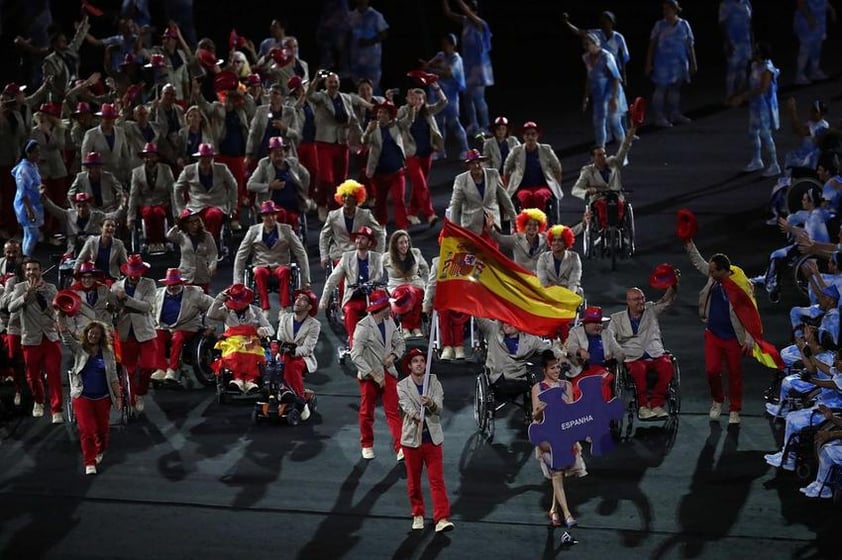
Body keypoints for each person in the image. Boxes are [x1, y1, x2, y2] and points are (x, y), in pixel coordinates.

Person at [684, 239, 753, 424]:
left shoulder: (741, 286)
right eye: (711, 270)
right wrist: (689, 243)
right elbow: (699, 262)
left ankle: (735, 409)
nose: (710, 273)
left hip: (732, 338)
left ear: (724, 270)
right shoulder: (714, 277)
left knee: (734, 374)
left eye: (714, 271)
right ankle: (717, 400)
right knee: (711, 371)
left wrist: (749, 338)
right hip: (713, 334)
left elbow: (750, 312)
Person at [397, 347, 454, 533]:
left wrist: (430, 403)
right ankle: (418, 513)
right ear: (409, 365)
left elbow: (439, 409)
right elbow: (406, 406)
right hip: (412, 441)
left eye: (422, 360)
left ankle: (442, 517)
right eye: (415, 361)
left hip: (432, 440)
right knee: (413, 481)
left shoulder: (434, 382)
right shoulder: (402, 385)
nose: (419, 364)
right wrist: (415, 415)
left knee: (436, 480)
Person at [56, 319, 120, 475]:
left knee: (103, 431)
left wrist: (118, 397)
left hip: (103, 398)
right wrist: (62, 327)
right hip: (82, 396)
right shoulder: (79, 349)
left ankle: (100, 450)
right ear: (87, 334)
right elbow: (68, 340)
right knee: (87, 430)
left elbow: (113, 377)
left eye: (96, 334)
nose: (93, 335)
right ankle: (89, 462)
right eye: (91, 332)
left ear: (101, 336)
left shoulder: (108, 354)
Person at [531, 348, 586, 528]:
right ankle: (568, 514)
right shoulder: (537, 388)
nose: (556, 371)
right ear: (544, 370)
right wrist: (544, 406)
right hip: (546, 437)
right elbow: (536, 418)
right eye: (553, 368)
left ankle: (554, 510)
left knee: (560, 473)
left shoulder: (566, 386)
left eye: (558, 367)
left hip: (564, 434)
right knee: (556, 472)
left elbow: (570, 411)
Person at [350, 288, 405, 461]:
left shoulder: (389, 322)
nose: (390, 308)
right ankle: (367, 444)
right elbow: (355, 355)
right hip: (369, 375)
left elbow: (400, 343)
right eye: (387, 305)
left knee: (393, 411)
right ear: (382, 307)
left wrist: (394, 356)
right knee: (367, 412)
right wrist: (374, 375)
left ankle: (400, 448)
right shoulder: (363, 327)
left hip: (388, 372)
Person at [609, 283, 678, 419]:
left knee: (667, 366)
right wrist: (618, 353)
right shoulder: (617, 319)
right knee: (638, 370)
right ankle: (643, 406)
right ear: (628, 301)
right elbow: (609, 337)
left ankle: (657, 404)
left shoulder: (651, 310)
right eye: (636, 299)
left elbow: (666, 300)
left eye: (642, 298)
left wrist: (674, 285)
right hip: (633, 356)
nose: (640, 302)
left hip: (654, 353)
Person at [234, 200, 311, 319]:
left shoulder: (286, 230)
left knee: (285, 272)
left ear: (276, 215)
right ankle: (265, 308)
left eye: (272, 214)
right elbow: (241, 255)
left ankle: (284, 308)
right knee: (259, 272)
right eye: (266, 215)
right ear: (262, 217)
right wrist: (238, 281)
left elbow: (301, 253)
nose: (270, 218)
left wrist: (306, 279)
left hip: (281, 265)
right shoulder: (253, 231)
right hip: (261, 265)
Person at [7, 257, 62, 422]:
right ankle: (38, 401)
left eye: (34, 269)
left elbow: (58, 310)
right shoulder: (19, 288)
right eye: (28, 269)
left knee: (53, 374)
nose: (31, 272)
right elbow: (11, 307)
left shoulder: (51, 288)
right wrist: (26, 295)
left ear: (40, 270)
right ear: (25, 272)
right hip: (30, 339)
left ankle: (56, 409)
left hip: (50, 338)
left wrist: (44, 296)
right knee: (32, 376)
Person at [319, 226, 385, 351]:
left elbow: (378, 276)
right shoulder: (347, 257)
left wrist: (370, 284)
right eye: (358, 238)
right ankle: (353, 341)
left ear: (370, 242)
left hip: (371, 297)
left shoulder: (377, 258)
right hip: (353, 298)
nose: (359, 241)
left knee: (385, 306)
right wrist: (324, 298)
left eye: (363, 238)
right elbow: (333, 279)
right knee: (350, 310)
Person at [306, 71, 361, 221]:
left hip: (342, 143)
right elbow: (309, 95)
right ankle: (322, 204)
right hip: (324, 142)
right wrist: (315, 81)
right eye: (330, 82)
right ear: (326, 84)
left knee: (340, 179)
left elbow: (354, 119)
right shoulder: (321, 97)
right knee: (326, 178)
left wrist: (361, 137)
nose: (333, 84)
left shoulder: (346, 98)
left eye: (335, 82)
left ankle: (336, 207)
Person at [150, 268, 214, 384]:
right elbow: (151, 312)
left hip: (187, 327)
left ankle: (172, 370)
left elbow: (213, 307)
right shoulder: (158, 294)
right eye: (170, 285)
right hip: (165, 327)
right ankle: (161, 368)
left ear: (181, 283)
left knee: (177, 337)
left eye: (175, 284)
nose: (172, 287)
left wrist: (210, 326)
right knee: (156, 336)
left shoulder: (194, 293)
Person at [207, 283, 274, 393]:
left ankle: (250, 380)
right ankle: (237, 379)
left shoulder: (256, 311)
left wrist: (263, 330)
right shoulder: (226, 310)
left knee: (252, 353)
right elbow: (211, 314)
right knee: (235, 352)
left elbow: (270, 329)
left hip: (251, 340)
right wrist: (221, 296)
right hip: (232, 340)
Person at [112, 254, 157, 413]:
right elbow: (114, 308)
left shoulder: (149, 284)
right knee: (129, 370)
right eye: (131, 271)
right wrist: (117, 304)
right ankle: (131, 401)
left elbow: (147, 306)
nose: (133, 274)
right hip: (125, 333)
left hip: (145, 332)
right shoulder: (116, 286)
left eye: (137, 271)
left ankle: (140, 393)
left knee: (148, 366)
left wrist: (126, 300)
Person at [442, 0, 493, 137]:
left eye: (470, 9)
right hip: (468, 66)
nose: (468, 12)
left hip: (480, 67)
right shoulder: (466, 22)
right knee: (468, 97)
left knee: (478, 97)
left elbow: (467, 12)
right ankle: (474, 124)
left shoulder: (480, 24)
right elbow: (449, 13)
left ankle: (485, 126)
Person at [397, 83, 446, 226]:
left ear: (424, 100)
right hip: (411, 155)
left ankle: (411, 212)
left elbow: (443, 102)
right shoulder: (403, 111)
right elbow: (402, 125)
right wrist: (411, 108)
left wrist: (436, 87)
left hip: (426, 153)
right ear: (409, 99)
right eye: (415, 98)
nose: (417, 101)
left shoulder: (427, 111)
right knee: (422, 185)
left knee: (420, 185)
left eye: (420, 99)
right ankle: (430, 214)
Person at [571, 128, 636, 232]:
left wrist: (630, 135)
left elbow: (624, 149)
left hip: (616, 197)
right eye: (600, 155)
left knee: (620, 206)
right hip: (598, 199)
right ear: (593, 158)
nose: (603, 157)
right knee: (600, 208)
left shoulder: (614, 163)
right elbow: (575, 189)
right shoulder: (587, 171)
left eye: (604, 154)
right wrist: (587, 191)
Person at [730, 43, 781, 177]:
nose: (753, 53)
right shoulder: (754, 65)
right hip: (754, 105)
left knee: (765, 134)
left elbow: (762, 89)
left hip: (764, 106)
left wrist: (742, 97)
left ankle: (774, 164)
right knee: (753, 132)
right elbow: (751, 83)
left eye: (756, 52)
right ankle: (757, 160)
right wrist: (738, 94)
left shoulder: (768, 68)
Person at [645, 0, 698, 128]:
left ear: (675, 10)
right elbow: (652, 45)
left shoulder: (684, 24)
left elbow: (690, 45)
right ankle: (659, 117)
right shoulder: (659, 25)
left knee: (675, 89)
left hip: (679, 63)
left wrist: (693, 62)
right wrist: (648, 63)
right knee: (661, 89)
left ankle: (674, 113)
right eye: (664, 9)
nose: (665, 12)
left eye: (668, 9)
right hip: (663, 64)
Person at [173, 142, 238, 242]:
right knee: (188, 219)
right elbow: (177, 189)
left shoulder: (222, 169)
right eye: (203, 158)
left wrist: (232, 207)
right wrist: (181, 210)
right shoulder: (188, 170)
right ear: (198, 158)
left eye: (208, 158)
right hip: (196, 206)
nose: (206, 161)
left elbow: (233, 186)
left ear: (212, 158)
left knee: (212, 215)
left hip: (217, 205)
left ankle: (209, 244)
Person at [247, 136, 313, 233]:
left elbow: (306, 176)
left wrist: (303, 191)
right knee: (281, 215)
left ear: (285, 152)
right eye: (275, 151)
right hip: (272, 206)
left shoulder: (292, 162)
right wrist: (270, 186)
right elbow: (250, 185)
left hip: (293, 205)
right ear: (270, 154)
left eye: (281, 151)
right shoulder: (264, 164)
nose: (279, 153)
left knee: (292, 218)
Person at [363, 100, 409, 230]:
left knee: (399, 200)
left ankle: (402, 228)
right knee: (380, 201)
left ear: (389, 116)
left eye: (384, 113)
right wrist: (368, 131)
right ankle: (381, 225)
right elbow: (363, 142)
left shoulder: (397, 126)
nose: (380, 115)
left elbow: (409, 120)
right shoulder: (372, 127)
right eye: (379, 112)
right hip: (379, 173)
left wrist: (411, 107)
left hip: (396, 172)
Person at [448, 149, 517, 237]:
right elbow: (455, 205)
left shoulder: (493, 174)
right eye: (473, 163)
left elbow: (505, 198)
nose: (476, 166)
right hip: (471, 226)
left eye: (478, 162)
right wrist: (454, 229)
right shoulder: (461, 180)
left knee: (492, 250)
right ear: (468, 165)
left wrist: (514, 219)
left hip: (493, 224)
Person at [478, 318, 550, 401]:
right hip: (498, 379)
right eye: (504, 321)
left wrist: (563, 355)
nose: (506, 324)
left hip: (519, 379)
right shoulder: (493, 330)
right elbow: (479, 317)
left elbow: (548, 350)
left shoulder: (531, 339)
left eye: (510, 322)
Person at [275, 289, 321, 419]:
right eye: (297, 298)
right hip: (284, 355)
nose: (298, 301)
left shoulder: (314, 325)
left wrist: (293, 350)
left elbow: (307, 348)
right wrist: (285, 349)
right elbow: (280, 339)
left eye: (303, 300)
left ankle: (292, 395)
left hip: (303, 358)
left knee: (292, 363)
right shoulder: (285, 318)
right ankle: (297, 399)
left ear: (309, 307)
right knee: (281, 362)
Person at [423, 34, 469, 160]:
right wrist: (430, 67)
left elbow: (448, 73)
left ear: (452, 45)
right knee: (438, 124)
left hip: (451, 96)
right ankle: (441, 151)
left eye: (446, 44)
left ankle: (465, 149)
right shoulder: (440, 55)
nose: (444, 47)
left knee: (453, 123)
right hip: (438, 93)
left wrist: (433, 70)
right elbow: (428, 65)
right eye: (442, 44)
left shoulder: (456, 59)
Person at [319, 180, 386, 267]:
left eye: (350, 196)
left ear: (356, 199)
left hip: (360, 255)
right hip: (339, 257)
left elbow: (380, 233)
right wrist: (324, 256)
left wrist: (379, 255)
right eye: (344, 196)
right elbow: (324, 236)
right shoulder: (333, 216)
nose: (346, 199)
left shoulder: (365, 215)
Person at [565, 306, 624, 401]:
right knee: (578, 388)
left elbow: (619, 351)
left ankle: (603, 412)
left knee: (601, 385)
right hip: (580, 370)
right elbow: (571, 347)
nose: (598, 325)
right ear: (585, 324)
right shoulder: (575, 332)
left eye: (599, 322)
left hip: (602, 370)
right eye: (594, 323)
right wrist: (580, 351)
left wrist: (615, 357)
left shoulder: (607, 333)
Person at [503, 122, 563, 212]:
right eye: (527, 134)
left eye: (533, 134)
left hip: (542, 186)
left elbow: (557, 168)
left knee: (539, 196)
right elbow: (506, 169)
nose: (530, 137)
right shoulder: (516, 151)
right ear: (523, 136)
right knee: (525, 197)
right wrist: (508, 187)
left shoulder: (546, 149)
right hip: (523, 187)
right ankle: (527, 223)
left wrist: (556, 186)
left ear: (537, 135)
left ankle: (541, 222)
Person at [580, 33, 627, 149]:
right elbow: (589, 77)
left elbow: (616, 77)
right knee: (599, 122)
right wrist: (586, 96)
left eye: (588, 44)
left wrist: (614, 98)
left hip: (611, 91)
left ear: (595, 43)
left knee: (615, 122)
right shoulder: (586, 58)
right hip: (598, 94)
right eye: (584, 45)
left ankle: (623, 150)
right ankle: (601, 150)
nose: (586, 47)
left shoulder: (606, 56)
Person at [127, 142, 175, 254]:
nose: (149, 159)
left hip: (162, 202)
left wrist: (177, 214)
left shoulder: (166, 169)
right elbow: (133, 195)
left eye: (152, 156)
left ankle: (161, 241)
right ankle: (149, 242)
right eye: (147, 156)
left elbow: (173, 191)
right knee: (148, 212)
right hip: (145, 203)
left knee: (158, 212)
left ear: (157, 157)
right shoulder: (137, 172)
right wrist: (131, 217)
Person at [383, 230, 429, 336]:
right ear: (395, 244)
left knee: (416, 294)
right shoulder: (386, 257)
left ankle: (414, 327)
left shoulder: (415, 253)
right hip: (397, 286)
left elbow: (425, 268)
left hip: (415, 284)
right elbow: (376, 271)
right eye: (401, 243)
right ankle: (407, 327)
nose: (405, 245)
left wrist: (425, 282)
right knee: (404, 295)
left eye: (406, 242)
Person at [166, 209, 218, 292]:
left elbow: (213, 253)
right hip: (186, 275)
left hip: (202, 274)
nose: (193, 224)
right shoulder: (181, 236)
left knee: (203, 300)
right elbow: (169, 236)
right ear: (185, 224)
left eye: (195, 221)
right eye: (190, 222)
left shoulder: (207, 236)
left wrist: (212, 265)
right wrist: (177, 226)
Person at [487, 208, 548, 274]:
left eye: (535, 225)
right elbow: (499, 239)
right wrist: (491, 228)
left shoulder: (544, 240)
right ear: (524, 226)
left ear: (539, 227)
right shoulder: (516, 239)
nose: (532, 227)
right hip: (520, 278)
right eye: (529, 224)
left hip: (537, 281)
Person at [81, 103, 131, 183]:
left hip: (118, 176)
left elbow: (125, 155)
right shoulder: (91, 134)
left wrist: (128, 173)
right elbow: (85, 159)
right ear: (101, 118)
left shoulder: (120, 132)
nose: (109, 120)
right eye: (106, 118)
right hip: (98, 176)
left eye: (111, 118)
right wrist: (87, 179)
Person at [348, 0, 389, 93]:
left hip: (372, 60)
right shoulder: (351, 16)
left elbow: (384, 33)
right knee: (358, 86)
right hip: (356, 59)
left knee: (373, 87)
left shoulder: (376, 16)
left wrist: (369, 41)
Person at [13, 140, 45, 257]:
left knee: (28, 233)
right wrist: (29, 209)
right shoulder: (23, 169)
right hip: (26, 204)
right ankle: (26, 259)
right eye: (36, 152)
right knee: (33, 234)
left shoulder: (32, 165)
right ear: (28, 153)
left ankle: (25, 257)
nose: (38, 154)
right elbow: (23, 192)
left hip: (34, 202)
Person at [793, 0, 837, 85]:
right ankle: (800, 75)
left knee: (816, 48)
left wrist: (831, 9)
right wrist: (809, 18)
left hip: (820, 22)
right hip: (806, 22)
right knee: (805, 49)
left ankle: (815, 71)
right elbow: (801, 3)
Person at [719, 0, 753, 100]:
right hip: (733, 42)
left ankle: (740, 95)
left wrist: (752, 41)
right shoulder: (725, 4)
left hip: (745, 42)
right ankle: (729, 96)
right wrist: (728, 42)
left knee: (743, 69)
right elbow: (722, 24)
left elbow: (749, 23)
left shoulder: (746, 3)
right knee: (732, 69)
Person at [75, 218, 128, 282]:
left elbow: (124, 263)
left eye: (113, 226)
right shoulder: (91, 241)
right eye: (107, 225)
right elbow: (81, 259)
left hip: (112, 277)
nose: (110, 228)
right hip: (94, 277)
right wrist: (75, 275)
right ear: (101, 228)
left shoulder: (119, 244)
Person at [537, 225, 582, 295]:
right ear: (550, 242)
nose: (556, 243)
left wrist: (568, 297)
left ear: (566, 242)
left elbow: (574, 282)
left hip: (569, 293)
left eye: (560, 240)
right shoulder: (543, 257)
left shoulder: (574, 257)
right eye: (554, 240)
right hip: (549, 293)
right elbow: (543, 281)